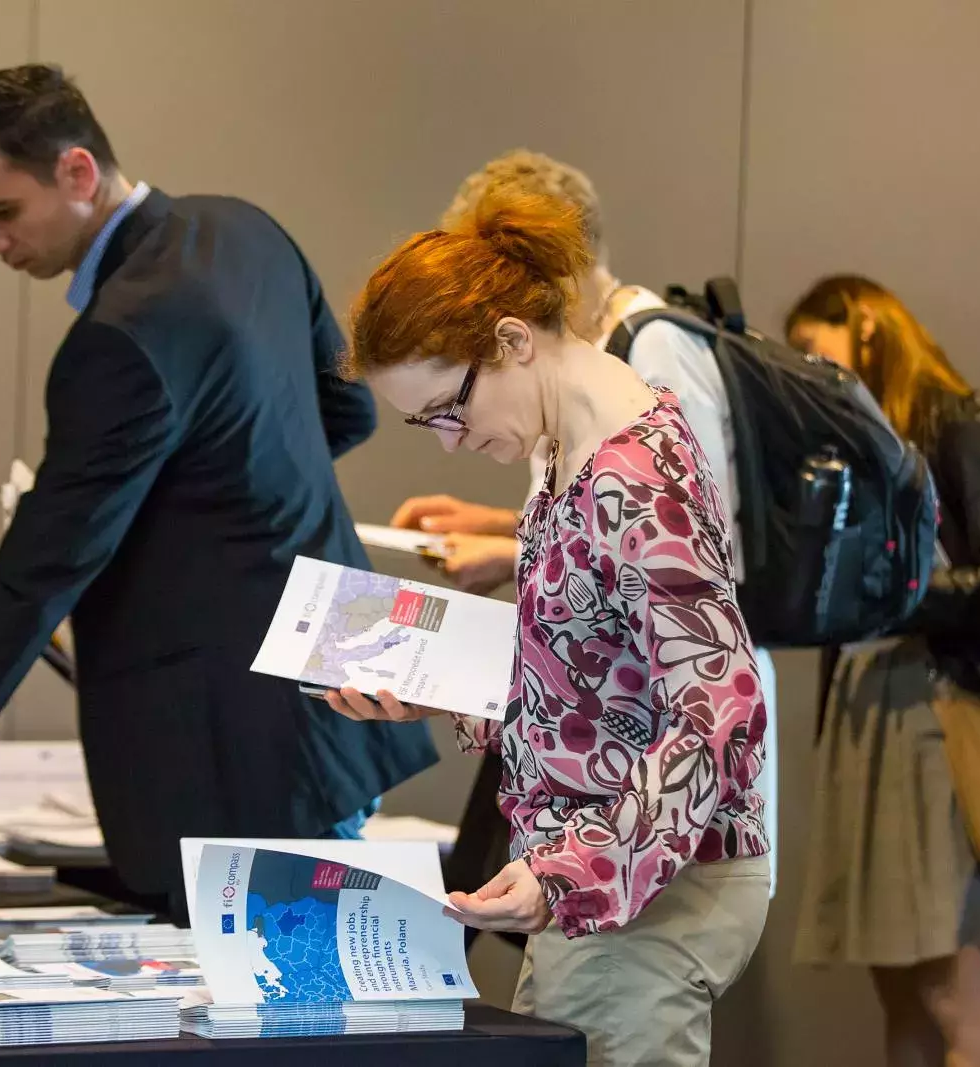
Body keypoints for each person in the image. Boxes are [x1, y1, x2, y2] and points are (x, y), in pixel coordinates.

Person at [0, 64, 437, 920]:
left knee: (274, 1036)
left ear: (78, 173)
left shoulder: (119, 338)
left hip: (240, 751)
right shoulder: (245, 231)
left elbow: (28, 583)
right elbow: (344, 412)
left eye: (1, 212)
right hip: (345, 685)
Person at [329, 189, 771, 1067]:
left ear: (512, 341)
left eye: (448, 410)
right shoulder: (565, 446)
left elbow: (721, 713)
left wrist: (578, 869)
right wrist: (432, 690)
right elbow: (590, 685)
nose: (449, 443)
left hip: (649, 888)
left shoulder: (631, 478)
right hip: (601, 882)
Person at [392, 150, 779, 893]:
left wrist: (584, 871)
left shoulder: (643, 365)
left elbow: (684, 560)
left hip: (649, 817)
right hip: (590, 803)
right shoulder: (580, 384)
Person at [787, 275, 980, 1067]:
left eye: (813, 347)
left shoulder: (964, 424)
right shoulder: (866, 444)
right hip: (874, 715)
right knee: (897, 987)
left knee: (949, 989)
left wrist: (896, 596)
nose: (810, 369)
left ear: (864, 324)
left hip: (941, 720)